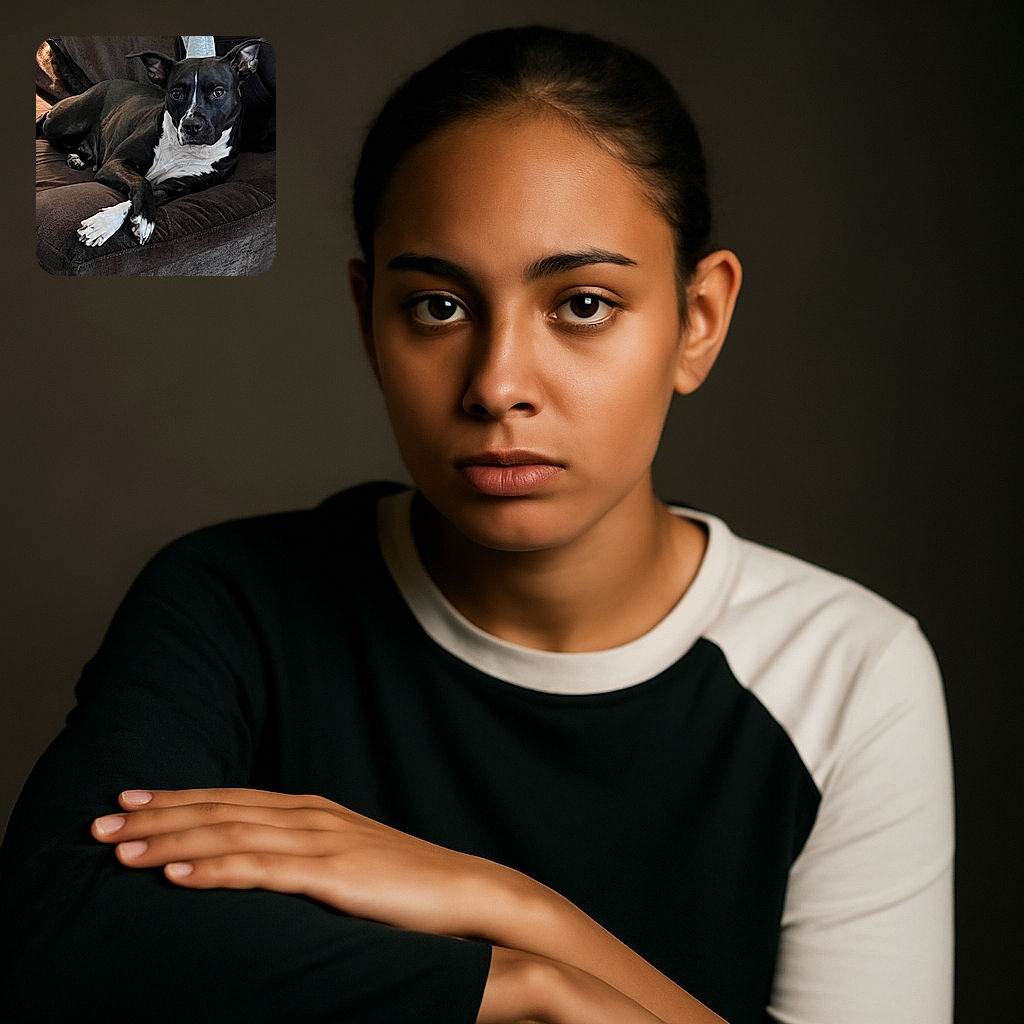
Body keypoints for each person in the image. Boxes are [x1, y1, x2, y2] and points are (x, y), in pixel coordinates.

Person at [0, 25, 953, 1024]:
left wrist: (514, 910)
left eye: (582, 303)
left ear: (698, 319)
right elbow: (50, 941)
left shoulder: (847, 672)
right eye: (440, 307)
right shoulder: (233, 605)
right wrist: (518, 984)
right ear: (370, 318)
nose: (498, 385)